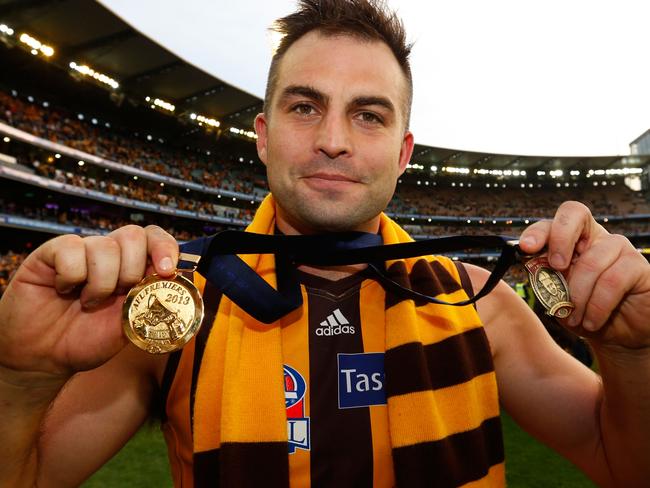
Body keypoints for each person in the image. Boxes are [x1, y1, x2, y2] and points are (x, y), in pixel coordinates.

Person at [1, 0, 649, 486]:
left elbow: (623, 462)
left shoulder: (478, 304)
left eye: (368, 114)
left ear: (402, 154)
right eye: (305, 107)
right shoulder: (173, 310)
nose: (333, 139)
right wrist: (21, 380)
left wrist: (630, 355)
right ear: (262, 134)